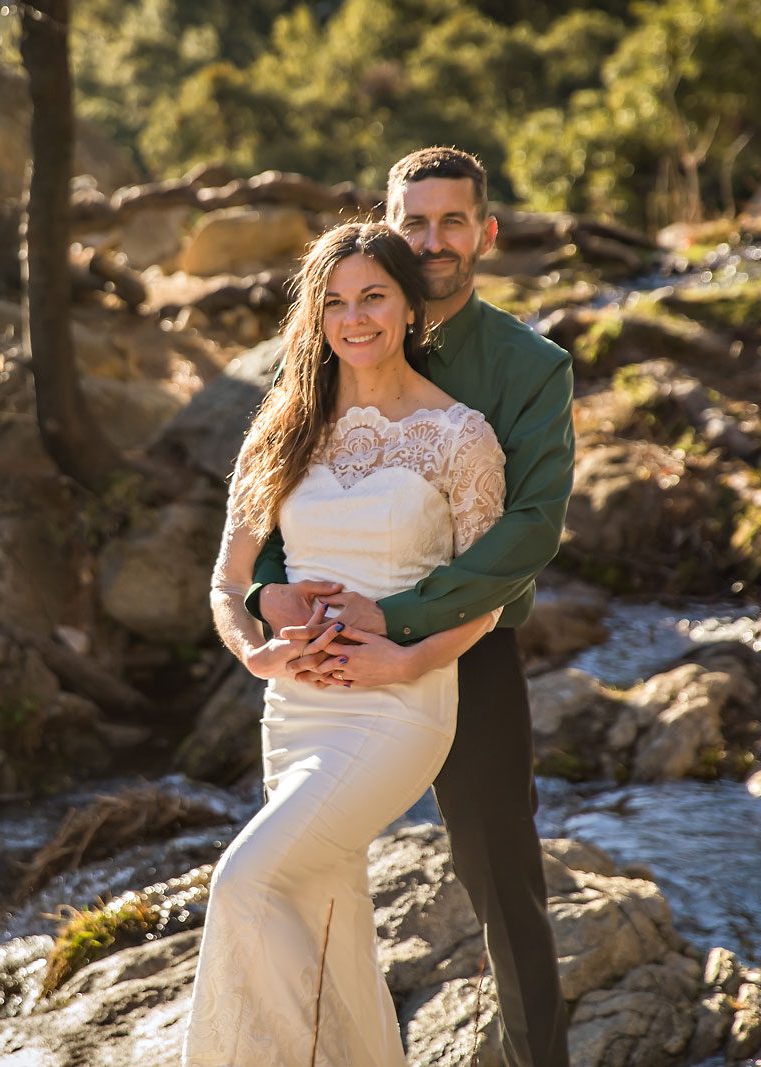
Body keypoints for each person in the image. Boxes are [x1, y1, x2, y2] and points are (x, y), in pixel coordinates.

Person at [248, 147, 575, 1066]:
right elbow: (275, 493)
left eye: (453, 221)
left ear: (486, 232)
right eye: (414, 223)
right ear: (388, 228)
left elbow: (530, 531)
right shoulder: (335, 336)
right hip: (322, 663)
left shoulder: (529, 368)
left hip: (468, 654)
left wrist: (401, 622)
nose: (433, 241)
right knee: (308, 874)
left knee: (499, 876)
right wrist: (264, 594)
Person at [183, 221, 508, 1067]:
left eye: (372, 296)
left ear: (408, 307)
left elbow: (490, 596)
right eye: (333, 302)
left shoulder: (460, 435)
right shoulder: (284, 426)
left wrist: (403, 657)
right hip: (294, 711)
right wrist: (257, 652)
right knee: (328, 924)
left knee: (245, 882)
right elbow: (227, 582)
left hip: (400, 708)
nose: (353, 317)